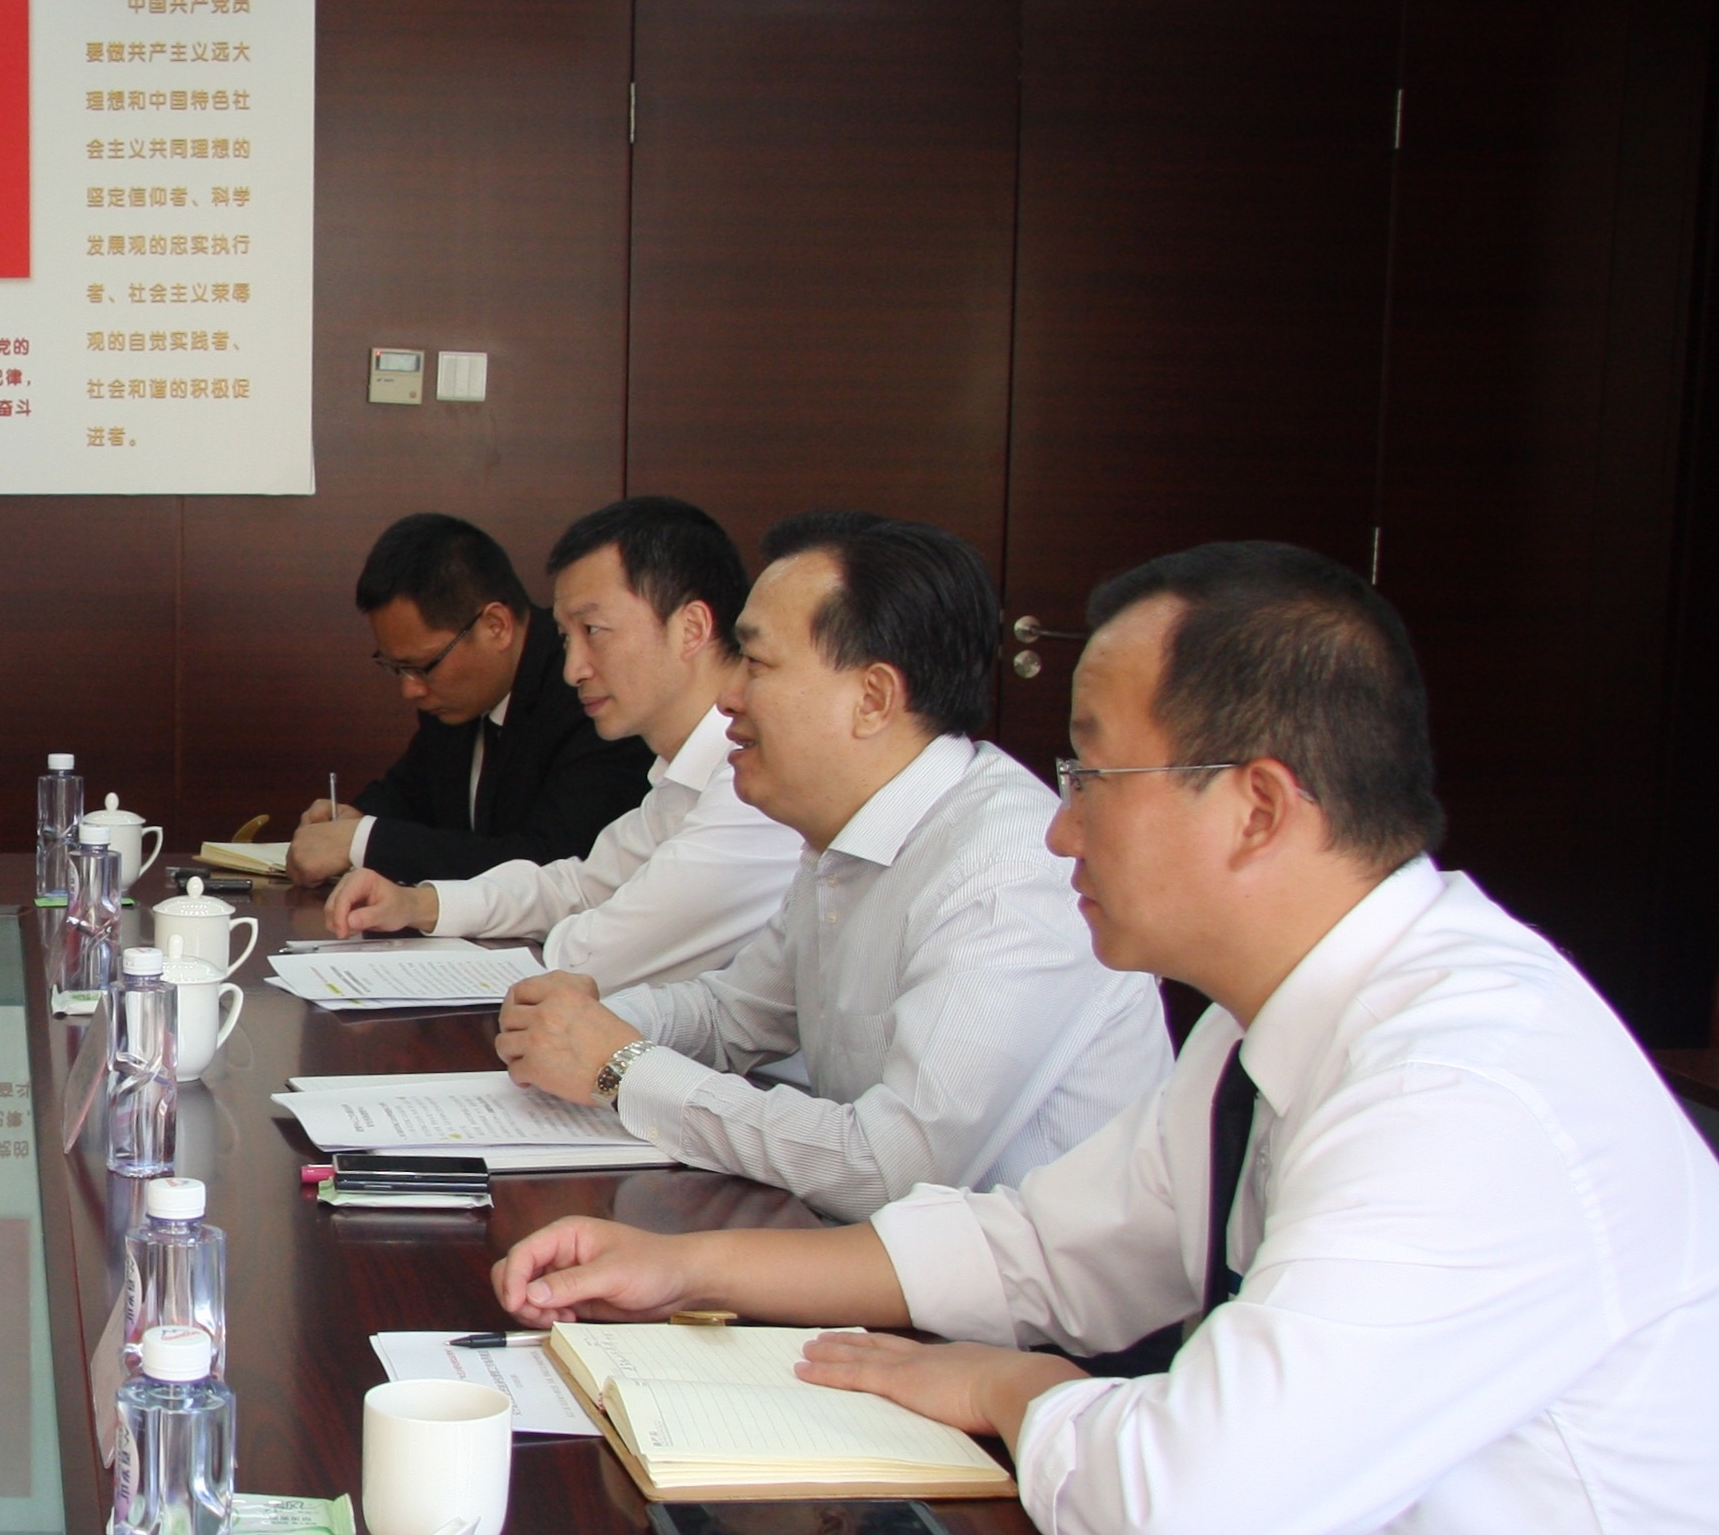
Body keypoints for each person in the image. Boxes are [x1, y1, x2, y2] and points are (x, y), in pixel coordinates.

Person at [492, 541, 1719, 1535]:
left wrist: (1020, 1390)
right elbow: (1031, 1247)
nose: (1058, 823)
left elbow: (1191, 1507)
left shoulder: (1465, 1082)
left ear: (1255, 804)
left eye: (1092, 774)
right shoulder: (1270, 1026)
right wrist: (688, 1263)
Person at [495, 512, 1168, 1220]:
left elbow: (890, 1168)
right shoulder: (845, 838)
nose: (727, 696)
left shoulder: (1006, 871)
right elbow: (735, 1015)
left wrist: (622, 1068)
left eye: (756, 664)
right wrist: (589, 1020)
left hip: (1004, 1289)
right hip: (869, 1252)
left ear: (871, 699)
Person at [324, 495, 801, 990]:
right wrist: (421, 903)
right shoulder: (680, 780)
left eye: (594, 631)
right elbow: (577, 886)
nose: (573, 670)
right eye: (567, 638)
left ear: (691, 628)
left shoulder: (755, 789)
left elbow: (601, 957)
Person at [287, 512, 652, 887]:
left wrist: (363, 841)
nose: (410, 689)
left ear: (496, 626)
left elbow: (555, 863)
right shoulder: (454, 701)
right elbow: (408, 796)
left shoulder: (588, 693)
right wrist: (347, 822)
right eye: (397, 668)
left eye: (422, 667)